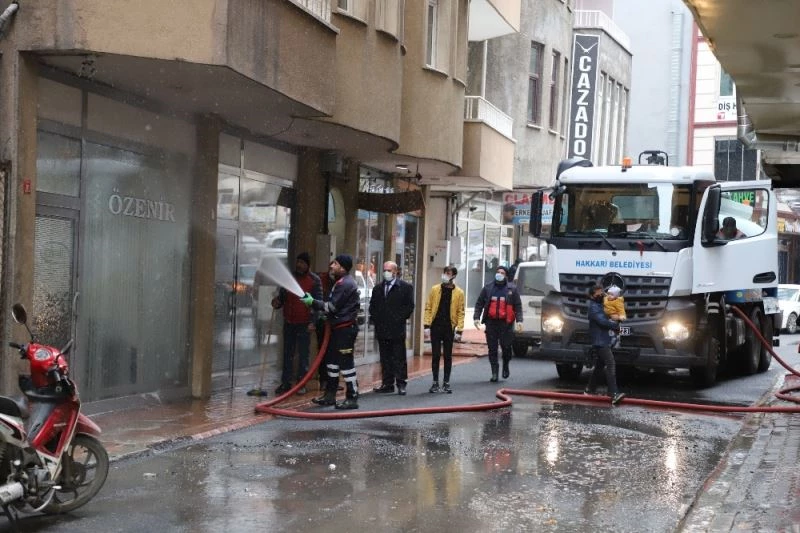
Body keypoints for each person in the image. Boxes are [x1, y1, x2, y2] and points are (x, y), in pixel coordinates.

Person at [303, 254, 361, 409]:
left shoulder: (345, 284)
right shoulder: (340, 282)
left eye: (335, 263)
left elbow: (332, 307)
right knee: (332, 362)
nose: (331, 266)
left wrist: (313, 302)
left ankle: (352, 397)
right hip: (337, 329)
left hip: (345, 330)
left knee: (346, 364)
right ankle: (330, 395)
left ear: (342, 267)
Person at [271, 252, 323, 395]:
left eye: (302, 263)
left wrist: (313, 322)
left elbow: (318, 303)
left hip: (305, 323)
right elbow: (282, 298)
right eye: (298, 262)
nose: (299, 265)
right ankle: (285, 383)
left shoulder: (314, 280)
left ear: (308, 265)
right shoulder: (289, 278)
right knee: (287, 354)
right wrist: (277, 302)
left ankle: (301, 384)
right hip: (289, 322)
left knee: (303, 355)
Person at [369, 261, 415, 395]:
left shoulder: (405, 287)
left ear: (395, 271)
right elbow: (373, 306)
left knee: (399, 357)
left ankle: (401, 383)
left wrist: (399, 318)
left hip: (397, 329)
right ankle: (387, 383)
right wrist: (377, 319)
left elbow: (409, 306)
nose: (386, 272)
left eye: (389, 270)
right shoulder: (378, 288)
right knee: (385, 357)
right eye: (384, 270)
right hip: (382, 329)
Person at [473, 265, 523, 382]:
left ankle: (505, 364)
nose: (499, 274)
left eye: (502, 273)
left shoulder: (512, 289)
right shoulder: (488, 288)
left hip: (506, 324)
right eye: (498, 272)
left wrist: (519, 320)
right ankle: (494, 372)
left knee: (506, 347)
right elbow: (479, 303)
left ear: (506, 276)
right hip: (491, 323)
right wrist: (476, 317)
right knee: (492, 349)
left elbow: (518, 306)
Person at [423, 265, 465, 393]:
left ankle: (446, 382)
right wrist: (426, 326)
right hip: (436, 326)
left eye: (448, 273)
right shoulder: (435, 289)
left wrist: (459, 330)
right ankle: (435, 382)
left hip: (449, 327)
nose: (445, 275)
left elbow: (461, 312)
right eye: (445, 273)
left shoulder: (459, 292)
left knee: (448, 356)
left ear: (454, 276)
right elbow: (428, 307)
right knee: (435, 355)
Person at [585, 284, 626, 405]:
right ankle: (613, 394)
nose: (601, 295)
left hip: (603, 339)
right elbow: (603, 321)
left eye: (602, 293)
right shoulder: (593, 307)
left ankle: (589, 389)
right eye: (598, 294)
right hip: (599, 341)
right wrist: (616, 325)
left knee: (599, 366)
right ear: (592, 296)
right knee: (610, 363)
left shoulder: (600, 304)